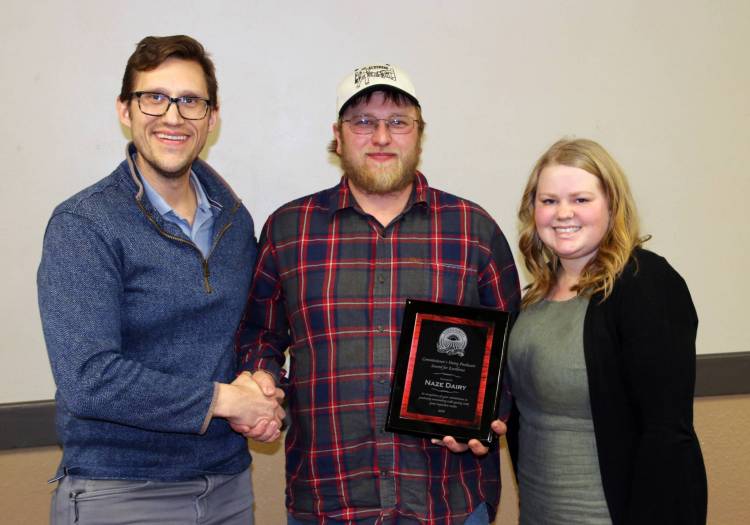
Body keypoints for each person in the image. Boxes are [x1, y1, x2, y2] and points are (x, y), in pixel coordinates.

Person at [235, 63, 520, 524]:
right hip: (329, 501)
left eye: (398, 122)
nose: (382, 137)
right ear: (339, 134)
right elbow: (257, 335)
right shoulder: (289, 230)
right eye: (364, 122)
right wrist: (263, 382)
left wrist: (487, 415)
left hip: (447, 502)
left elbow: (512, 350)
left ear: (419, 134)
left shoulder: (473, 230)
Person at [37, 35, 284, 524]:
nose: (172, 116)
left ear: (211, 119)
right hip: (120, 491)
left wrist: (261, 381)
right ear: (125, 110)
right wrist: (224, 400)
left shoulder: (235, 221)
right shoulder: (84, 225)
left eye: (190, 101)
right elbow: (90, 379)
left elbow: (249, 332)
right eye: (154, 97)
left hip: (228, 487)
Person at [499, 138, 707, 524]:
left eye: (580, 200)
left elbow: (666, 433)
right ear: (533, 210)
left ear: (612, 205)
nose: (563, 213)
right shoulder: (533, 298)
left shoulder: (646, 284)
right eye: (548, 201)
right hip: (540, 513)